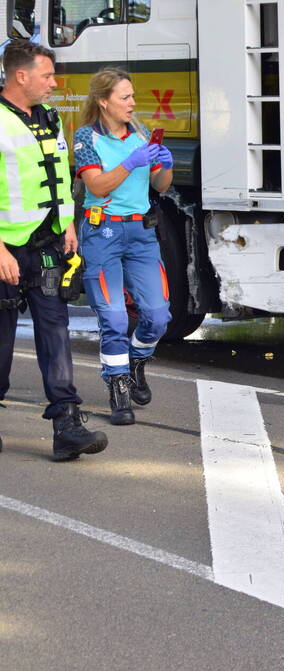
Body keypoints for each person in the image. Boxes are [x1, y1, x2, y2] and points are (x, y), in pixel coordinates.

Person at [0, 40, 108, 461]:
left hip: (46, 245)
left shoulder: (47, 118)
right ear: (20, 76)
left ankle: (67, 424)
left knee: (55, 332)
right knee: (2, 344)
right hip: (6, 250)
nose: (54, 83)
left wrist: (67, 226)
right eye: (47, 75)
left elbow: (59, 178)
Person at [74, 67, 174, 426]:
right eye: (125, 97)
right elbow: (97, 187)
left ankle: (135, 361)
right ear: (104, 101)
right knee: (114, 316)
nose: (133, 103)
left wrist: (164, 165)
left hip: (140, 234)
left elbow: (161, 186)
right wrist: (131, 163)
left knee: (158, 315)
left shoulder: (142, 133)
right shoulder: (87, 137)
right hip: (102, 234)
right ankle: (118, 388)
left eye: (133, 96)